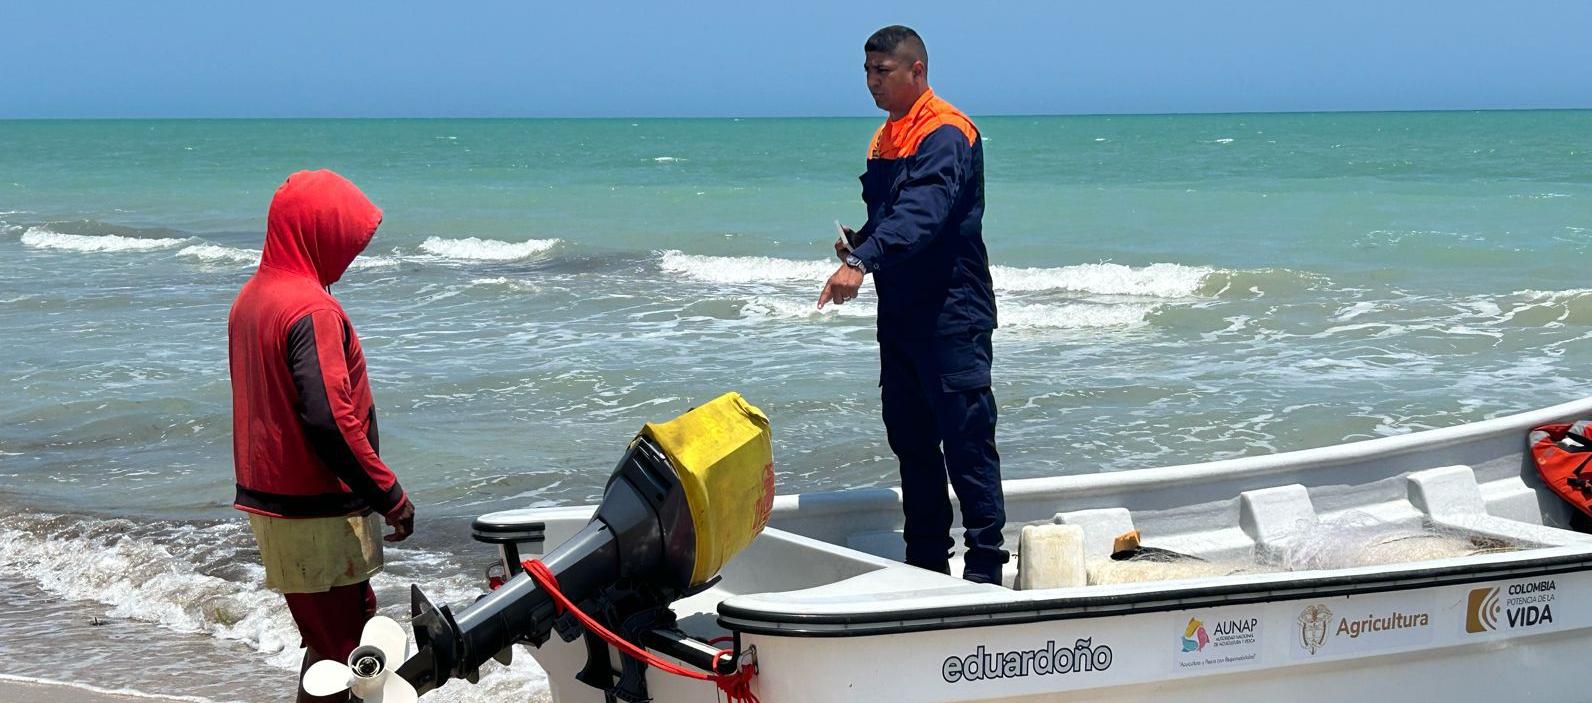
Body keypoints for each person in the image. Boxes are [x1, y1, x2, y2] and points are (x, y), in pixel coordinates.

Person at [818, 25, 1008, 585]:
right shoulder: (885, 138)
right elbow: (892, 217)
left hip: (953, 312)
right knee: (911, 441)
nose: (871, 82)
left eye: (882, 71)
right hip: (900, 316)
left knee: (967, 441)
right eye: (866, 72)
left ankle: (984, 569)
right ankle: (926, 562)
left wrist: (862, 261)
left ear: (916, 71)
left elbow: (925, 212)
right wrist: (861, 241)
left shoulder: (947, 130)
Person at [228, 169, 415, 702]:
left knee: (326, 644)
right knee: (348, 654)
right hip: (316, 511)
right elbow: (330, 420)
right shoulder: (311, 310)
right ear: (316, 233)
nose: (348, 257)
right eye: (344, 242)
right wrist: (390, 495)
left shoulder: (250, 299)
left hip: (273, 507)